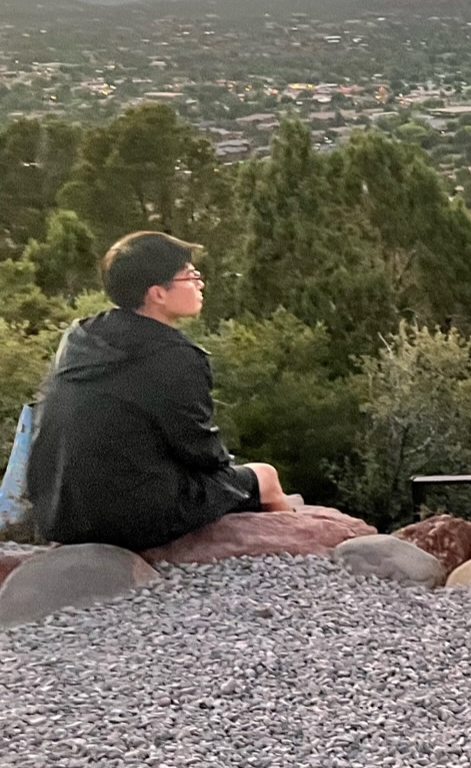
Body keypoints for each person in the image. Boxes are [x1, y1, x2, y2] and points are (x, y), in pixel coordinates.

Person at [26, 231, 291, 550]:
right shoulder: (175, 355)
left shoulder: (79, 337)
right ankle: (295, 551)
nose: (199, 283)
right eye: (190, 276)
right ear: (158, 294)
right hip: (130, 519)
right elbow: (201, 452)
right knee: (265, 477)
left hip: (59, 514)